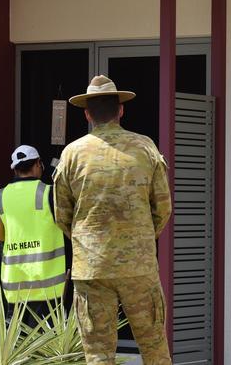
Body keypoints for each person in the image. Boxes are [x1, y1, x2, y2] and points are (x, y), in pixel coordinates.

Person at [53, 75, 173, 365]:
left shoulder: (72, 154)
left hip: (92, 268)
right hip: (139, 265)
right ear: (121, 110)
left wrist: (89, 240)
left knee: (97, 354)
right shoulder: (145, 148)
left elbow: (62, 214)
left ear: (87, 114)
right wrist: (140, 236)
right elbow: (163, 207)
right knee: (155, 348)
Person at [0, 145, 68, 325]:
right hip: (46, 285)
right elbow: (68, 227)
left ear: (15, 169)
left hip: (14, 284)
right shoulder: (50, 193)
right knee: (46, 344)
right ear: (37, 165)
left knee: (17, 343)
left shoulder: (0, 197)